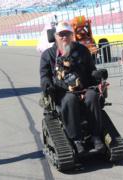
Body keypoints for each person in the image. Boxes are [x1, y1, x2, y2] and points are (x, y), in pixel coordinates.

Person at [39, 21, 105, 154]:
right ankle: (76, 140)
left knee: (92, 97)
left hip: (83, 88)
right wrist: (46, 83)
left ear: (72, 35)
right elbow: (44, 75)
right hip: (61, 92)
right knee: (70, 100)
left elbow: (91, 70)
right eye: (61, 34)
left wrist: (97, 74)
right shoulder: (48, 55)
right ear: (55, 36)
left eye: (67, 34)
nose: (64, 37)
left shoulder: (82, 50)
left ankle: (96, 137)